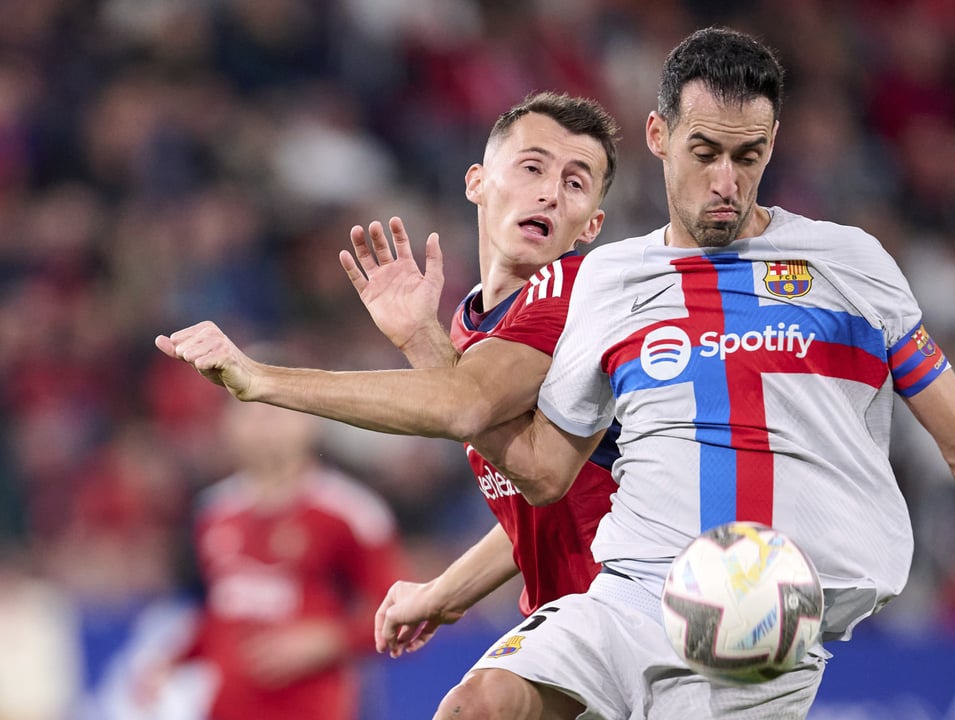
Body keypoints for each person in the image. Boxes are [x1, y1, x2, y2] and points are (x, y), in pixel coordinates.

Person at [158, 27, 955, 719]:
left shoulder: (848, 265)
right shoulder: (610, 281)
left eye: (749, 156)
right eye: (704, 152)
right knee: (475, 706)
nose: (725, 183)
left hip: (765, 613)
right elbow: (544, 469)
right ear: (661, 137)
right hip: (624, 598)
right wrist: (446, 586)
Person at [157, 92, 622, 715]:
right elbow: (541, 495)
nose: (550, 193)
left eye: (575, 182)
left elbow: (470, 413)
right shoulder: (476, 327)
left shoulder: (573, 289)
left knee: (475, 708)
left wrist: (261, 379)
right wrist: (444, 593)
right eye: (532, 167)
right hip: (575, 609)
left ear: (591, 223)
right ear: (477, 182)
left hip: (626, 605)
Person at [138, 379, 408, 720]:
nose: (263, 425)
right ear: (227, 424)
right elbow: (223, 611)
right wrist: (174, 661)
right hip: (224, 710)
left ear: (309, 421)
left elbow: (404, 615)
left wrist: (327, 640)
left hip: (311, 709)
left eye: (276, 411)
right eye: (249, 411)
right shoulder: (213, 512)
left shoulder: (351, 513)